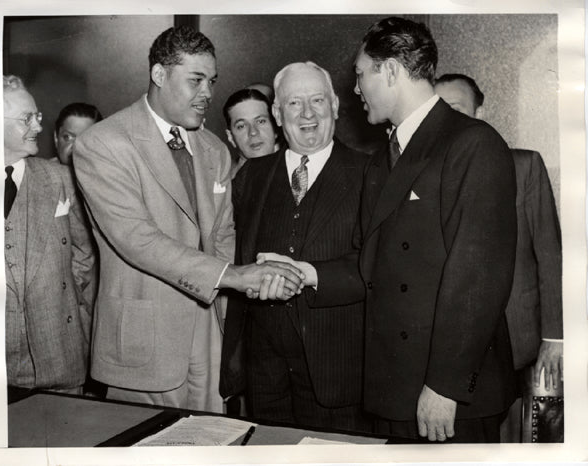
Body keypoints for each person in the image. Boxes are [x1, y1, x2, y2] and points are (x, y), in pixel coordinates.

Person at [260, 17, 518, 443]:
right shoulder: (384, 158)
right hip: (393, 389)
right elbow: (372, 265)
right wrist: (304, 272)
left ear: (392, 71)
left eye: (362, 74)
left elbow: (479, 281)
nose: (356, 89)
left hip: (446, 396)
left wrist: (445, 386)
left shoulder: (473, 143)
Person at [73, 25, 302, 412]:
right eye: (195, 80)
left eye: (211, 81)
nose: (208, 94)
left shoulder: (214, 149)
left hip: (211, 327)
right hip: (146, 338)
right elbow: (136, 239)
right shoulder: (103, 143)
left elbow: (223, 233)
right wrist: (234, 276)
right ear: (159, 75)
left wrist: (252, 281)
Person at [221, 61, 371, 431]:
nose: (307, 113)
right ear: (276, 112)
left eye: (317, 100)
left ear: (335, 105)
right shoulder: (250, 178)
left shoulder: (372, 173)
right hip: (265, 375)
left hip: (340, 373)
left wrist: (310, 275)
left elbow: (378, 265)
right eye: (293, 103)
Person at [435, 73, 563, 441]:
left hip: (525, 338)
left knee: (540, 437)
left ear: (480, 111)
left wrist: (555, 338)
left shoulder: (524, 166)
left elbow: (550, 255)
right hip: (467, 345)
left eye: (456, 109)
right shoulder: (429, 176)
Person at [3, 75, 96, 394]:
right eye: (26, 118)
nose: (38, 127)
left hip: (58, 357)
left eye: (38, 116)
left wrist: (67, 301)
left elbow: (86, 253)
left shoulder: (59, 179)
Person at [222, 88, 280, 178]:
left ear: (275, 128)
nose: (253, 132)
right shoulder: (225, 185)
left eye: (261, 121)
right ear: (231, 137)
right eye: (241, 126)